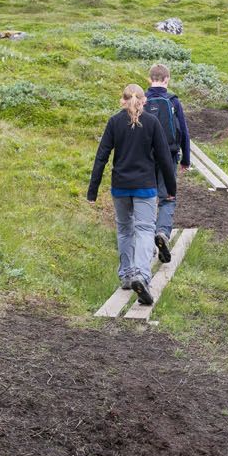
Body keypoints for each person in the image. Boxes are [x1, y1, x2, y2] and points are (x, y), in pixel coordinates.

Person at [87, 84, 178, 305]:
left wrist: (93, 190)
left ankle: (127, 276)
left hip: (120, 187)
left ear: (122, 101)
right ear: (144, 101)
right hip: (145, 187)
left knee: (125, 230)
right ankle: (141, 275)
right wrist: (171, 190)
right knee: (145, 229)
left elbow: (102, 157)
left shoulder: (114, 122)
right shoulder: (152, 123)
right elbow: (165, 158)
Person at [143, 64, 191, 263]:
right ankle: (162, 232)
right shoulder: (173, 101)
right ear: (167, 80)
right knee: (168, 197)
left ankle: (147, 244)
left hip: (145, 157)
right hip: (169, 156)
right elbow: (184, 133)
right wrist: (185, 160)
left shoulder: (142, 100)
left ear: (149, 78)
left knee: (145, 199)